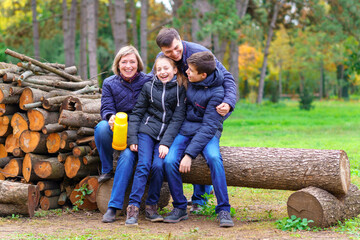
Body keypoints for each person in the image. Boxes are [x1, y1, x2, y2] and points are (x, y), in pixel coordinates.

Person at [155, 27, 237, 211]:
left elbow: (227, 78)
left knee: (206, 148)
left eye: (177, 48)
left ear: (180, 40)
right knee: (177, 155)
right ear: (162, 51)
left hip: (209, 111)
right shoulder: (163, 59)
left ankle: (202, 199)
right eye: (168, 52)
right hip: (184, 113)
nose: (174, 54)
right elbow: (156, 79)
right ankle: (186, 203)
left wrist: (229, 102)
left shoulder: (199, 54)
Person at [94, 45, 162, 223]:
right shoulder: (109, 82)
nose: (128, 66)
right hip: (118, 127)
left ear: (138, 63)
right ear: (118, 64)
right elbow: (106, 107)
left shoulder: (148, 80)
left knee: (126, 156)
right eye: (124, 62)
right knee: (101, 127)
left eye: (132, 61)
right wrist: (110, 117)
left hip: (140, 130)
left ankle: (113, 207)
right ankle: (107, 169)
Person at [124, 55, 187, 226]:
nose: (162, 72)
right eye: (159, 69)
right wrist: (133, 138)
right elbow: (137, 113)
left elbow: (178, 119)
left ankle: (151, 206)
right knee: (143, 164)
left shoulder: (181, 89)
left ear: (174, 70)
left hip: (166, 136)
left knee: (158, 166)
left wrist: (166, 143)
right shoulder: (148, 87)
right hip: (147, 132)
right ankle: (133, 208)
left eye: (166, 68)